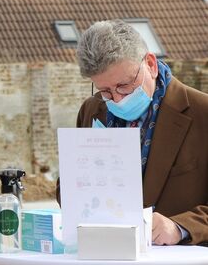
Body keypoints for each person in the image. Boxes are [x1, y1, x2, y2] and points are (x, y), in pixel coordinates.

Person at [70, 20, 208, 246]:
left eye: (124, 85)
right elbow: (68, 183)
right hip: (108, 252)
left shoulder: (203, 113)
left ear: (151, 65)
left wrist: (181, 227)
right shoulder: (92, 109)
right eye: (105, 90)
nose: (117, 99)